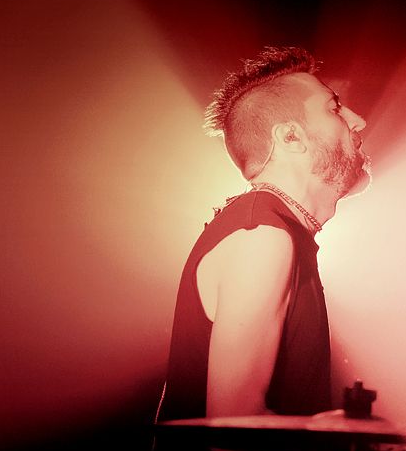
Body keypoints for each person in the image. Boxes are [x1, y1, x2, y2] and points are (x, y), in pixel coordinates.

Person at [157, 46, 370, 421]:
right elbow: (233, 431)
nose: (358, 121)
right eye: (334, 108)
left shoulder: (277, 228)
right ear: (291, 138)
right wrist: (342, 447)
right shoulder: (262, 235)